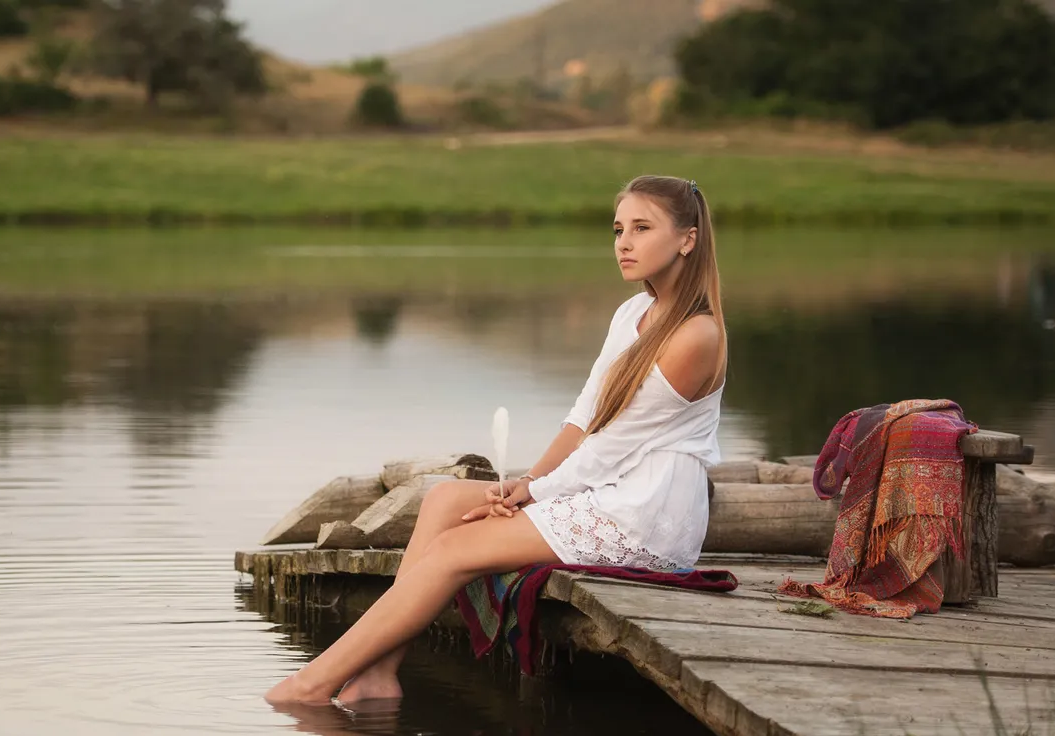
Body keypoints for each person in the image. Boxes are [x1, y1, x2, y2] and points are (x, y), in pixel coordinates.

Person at [265, 175, 728, 706]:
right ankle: (376, 674)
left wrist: (537, 492)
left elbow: (614, 446)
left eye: (642, 228)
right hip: (606, 487)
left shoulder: (697, 335)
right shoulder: (631, 314)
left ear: (687, 239)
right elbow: (581, 421)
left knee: (456, 549)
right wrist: (526, 481)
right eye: (618, 228)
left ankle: (313, 683)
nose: (623, 243)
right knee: (444, 500)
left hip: (647, 513)